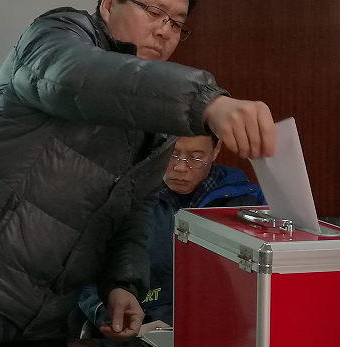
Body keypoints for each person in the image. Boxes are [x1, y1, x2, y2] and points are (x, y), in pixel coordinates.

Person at [0, 0, 274, 347]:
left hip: (48, 318)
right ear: (109, 5)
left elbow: (134, 212)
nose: (164, 32)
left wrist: (120, 283)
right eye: (154, 12)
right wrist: (206, 102)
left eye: (177, 23)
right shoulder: (57, 36)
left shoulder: (159, 115)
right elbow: (74, 78)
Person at [78, 133, 265, 331]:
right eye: (171, 155)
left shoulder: (251, 204)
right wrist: (119, 320)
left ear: (216, 150)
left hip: (222, 330)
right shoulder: (121, 197)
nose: (181, 167)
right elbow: (81, 274)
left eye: (195, 158)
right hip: (142, 326)